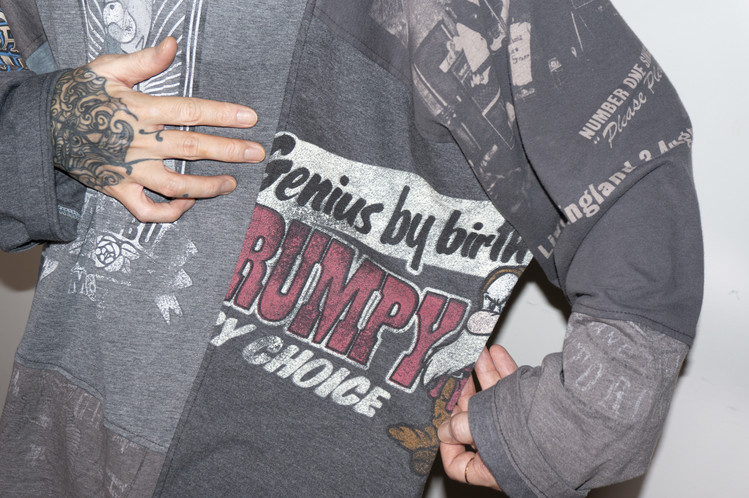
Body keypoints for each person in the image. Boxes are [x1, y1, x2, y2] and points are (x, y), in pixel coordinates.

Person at [0, 1, 702, 496]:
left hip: (303, 465)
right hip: (50, 445)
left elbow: (632, 176)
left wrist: (575, 427)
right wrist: (43, 127)